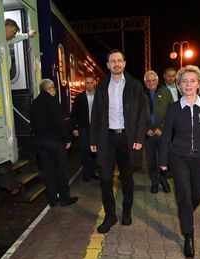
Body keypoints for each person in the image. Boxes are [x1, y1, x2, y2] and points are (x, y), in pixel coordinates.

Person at [159, 65, 200, 259]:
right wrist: (163, 160)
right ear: (179, 85)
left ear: (199, 84)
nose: (188, 84)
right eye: (184, 81)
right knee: (184, 195)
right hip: (179, 157)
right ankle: (189, 237)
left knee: (197, 195)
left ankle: (186, 212)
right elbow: (166, 135)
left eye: (192, 81)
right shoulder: (174, 108)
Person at [90, 49, 149, 233]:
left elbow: (143, 114)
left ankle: (127, 211)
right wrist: (93, 138)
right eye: (112, 61)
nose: (116, 64)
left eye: (119, 60)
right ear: (108, 65)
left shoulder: (135, 85)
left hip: (127, 137)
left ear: (124, 63)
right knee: (105, 178)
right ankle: (110, 215)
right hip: (107, 138)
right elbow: (96, 115)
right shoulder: (101, 86)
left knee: (127, 178)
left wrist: (139, 138)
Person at [30, 79, 78, 207]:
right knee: (61, 170)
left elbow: (33, 124)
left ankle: (52, 199)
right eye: (54, 89)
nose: (55, 91)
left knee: (48, 171)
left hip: (40, 142)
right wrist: (67, 139)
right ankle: (65, 199)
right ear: (50, 88)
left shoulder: (34, 103)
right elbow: (59, 123)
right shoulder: (52, 101)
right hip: (55, 142)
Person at [143, 70, 174, 193]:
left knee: (164, 159)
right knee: (151, 161)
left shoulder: (166, 92)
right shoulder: (141, 94)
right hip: (149, 134)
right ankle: (154, 182)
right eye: (148, 81)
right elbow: (138, 114)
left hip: (163, 133)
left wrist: (161, 127)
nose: (151, 83)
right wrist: (146, 129)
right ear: (145, 82)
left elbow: (172, 112)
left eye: (153, 80)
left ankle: (164, 180)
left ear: (157, 80)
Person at [70, 75, 98, 182]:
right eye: (87, 83)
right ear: (85, 84)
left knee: (95, 151)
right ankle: (86, 173)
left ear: (94, 83)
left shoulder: (99, 97)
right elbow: (73, 114)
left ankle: (93, 172)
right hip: (83, 128)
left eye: (91, 83)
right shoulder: (79, 98)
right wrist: (74, 128)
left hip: (96, 129)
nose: (89, 85)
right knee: (85, 151)